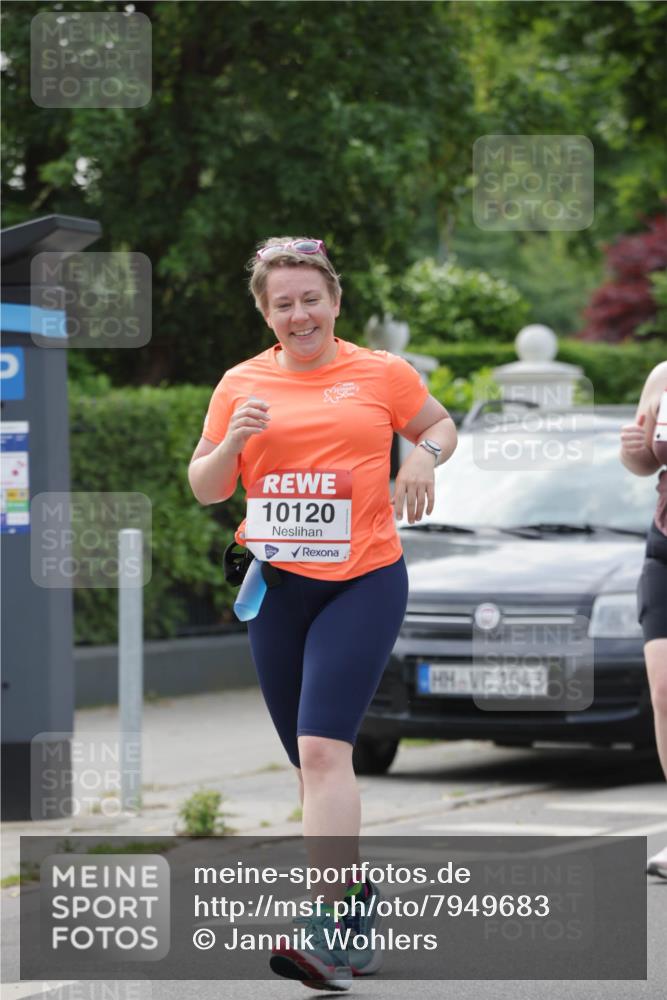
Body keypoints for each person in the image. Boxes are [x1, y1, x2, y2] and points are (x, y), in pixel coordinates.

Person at [188, 237, 457, 989]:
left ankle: (327, 927)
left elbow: (439, 425)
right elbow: (206, 487)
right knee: (309, 765)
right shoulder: (240, 382)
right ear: (265, 313)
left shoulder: (381, 372)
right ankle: (356, 906)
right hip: (277, 588)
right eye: (284, 304)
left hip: (362, 581)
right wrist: (232, 442)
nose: (299, 314)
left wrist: (422, 455)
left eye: (311, 298)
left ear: (335, 301)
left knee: (322, 751)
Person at [620, 359, 667, 879]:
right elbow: (641, 462)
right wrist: (635, 450)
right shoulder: (662, 376)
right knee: (664, 690)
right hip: (665, 546)